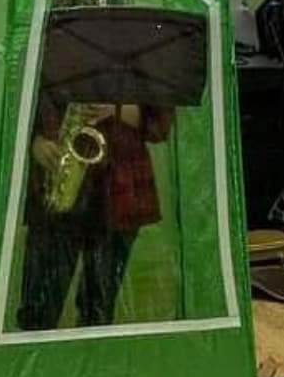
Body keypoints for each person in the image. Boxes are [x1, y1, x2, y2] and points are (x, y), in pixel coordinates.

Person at [17, 98, 173, 330]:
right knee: (38, 308)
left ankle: (92, 363)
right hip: (56, 180)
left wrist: (116, 108)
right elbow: (13, 107)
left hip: (118, 191)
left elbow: (160, 126)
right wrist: (33, 141)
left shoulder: (145, 62)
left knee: (98, 310)